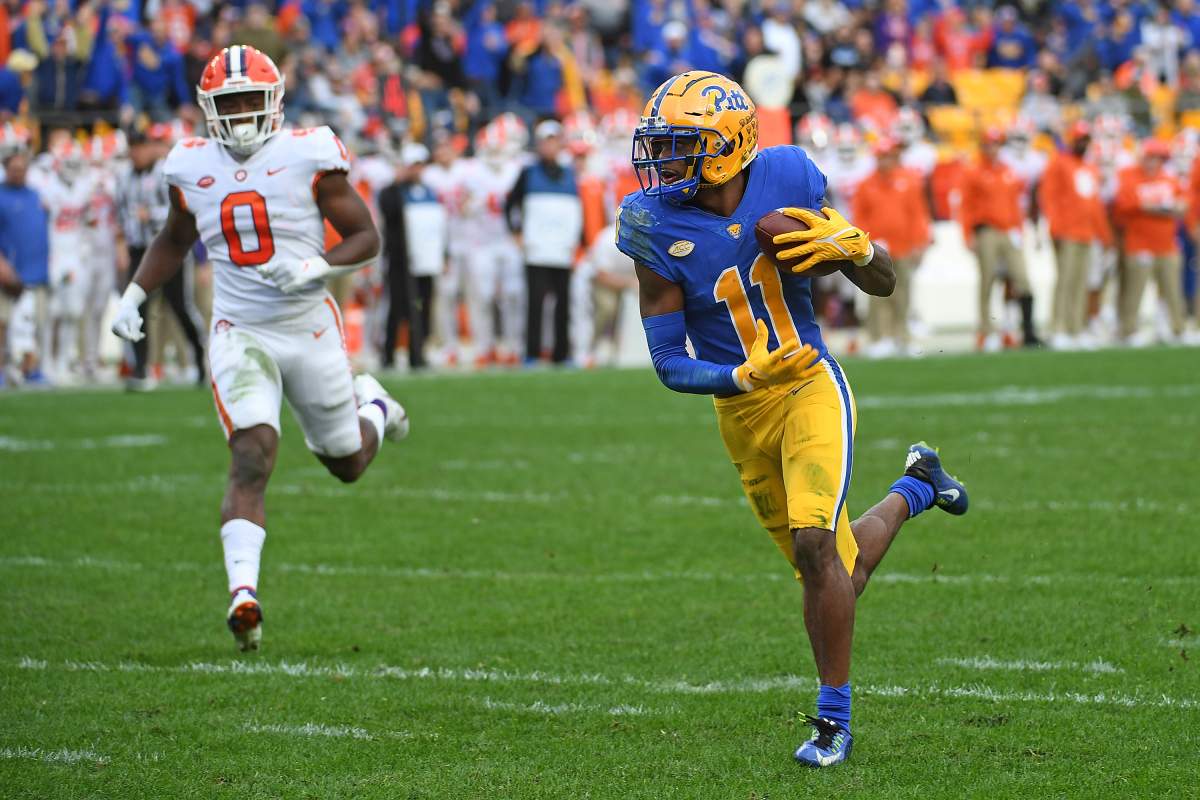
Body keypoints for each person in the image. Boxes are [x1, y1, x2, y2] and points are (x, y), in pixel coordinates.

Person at [615, 71, 969, 768]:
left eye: (679, 145)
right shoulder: (651, 222)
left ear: (729, 146)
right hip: (740, 406)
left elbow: (882, 282)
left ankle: (833, 721)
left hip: (809, 384)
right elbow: (667, 361)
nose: (661, 161)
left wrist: (857, 249)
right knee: (837, 571)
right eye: (658, 145)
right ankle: (917, 486)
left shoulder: (790, 177)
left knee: (815, 547)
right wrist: (738, 376)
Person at [109, 46, 410, 652]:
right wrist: (134, 295)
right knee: (252, 452)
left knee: (347, 463)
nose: (242, 112)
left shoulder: (308, 154)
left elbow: (365, 237)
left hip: (308, 327)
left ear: (274, 102)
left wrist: (313, 267)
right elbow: (174, 238)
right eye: (230, 102)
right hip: (240, 329)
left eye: (251, 99)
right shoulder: (190, 165)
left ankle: (375, 406)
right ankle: (243, 595)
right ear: (208, 109)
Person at [506, 119, 583, 365]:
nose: (550, 146)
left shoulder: (570, 173)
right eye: (546, 142)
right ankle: (531, 353)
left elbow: (576, 210)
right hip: (536, 249)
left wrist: (575, 241)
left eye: (554, 141)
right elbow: (510, 204)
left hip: (562, 249)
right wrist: (516, 232)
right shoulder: (528, 173)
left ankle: (562, 354)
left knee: (564, 303)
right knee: (535, 303)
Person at [959, 128, 1041, 350]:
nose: (992, 149)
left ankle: (1026, 330)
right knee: (988, 281)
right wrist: (967, 235)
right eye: (989, 144)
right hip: (986, 231)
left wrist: (1019, 230)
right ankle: (986, 331)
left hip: (1009, 231)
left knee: (1021, 279)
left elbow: (1016, 205)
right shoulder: (974, 171)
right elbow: (965, 206)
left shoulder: (1008, 171)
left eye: (996, 144)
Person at [852, 137, 930, 357]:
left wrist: (919, 242)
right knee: (876, 295)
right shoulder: (866, 185)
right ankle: (880, 338)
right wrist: (866, 243)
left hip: (903, 246)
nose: (885, 161)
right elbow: (860, 217)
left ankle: (902, 337)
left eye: (889, 157)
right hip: (876, 250)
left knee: (904, 293)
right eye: (882, 157)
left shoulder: (909, 181)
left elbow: (917, 214)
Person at [1040, 121, 1112, 349]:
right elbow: (1049, 197)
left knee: (1082, 282)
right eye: (1080, 139)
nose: (1083, 143)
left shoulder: (1089, 168)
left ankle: (1077, 328)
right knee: (1066, 280)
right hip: (1067, 232)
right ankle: (1059, 327)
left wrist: (1104, 235)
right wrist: (1055, 229)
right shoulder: (1059, 163)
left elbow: (1095, 205)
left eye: (1085, 140)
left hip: (1086, 233)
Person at [1113, 139, 1187, 344]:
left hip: (1167, 245)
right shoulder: (1129, 176)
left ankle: (1178, 329)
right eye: (1150, 157)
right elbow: (1125, 206)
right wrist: (1157, 207)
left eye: (1158, 158)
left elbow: (1182, 205)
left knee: (1173, 290)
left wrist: (1155, 207)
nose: (1153, 162)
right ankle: (1128, 331)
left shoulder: (1168, 178)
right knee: (1134, 291)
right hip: (1139, 245)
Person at [0, 149, 50, 385]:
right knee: (2, 323)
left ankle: (30, 369)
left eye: (22, 169)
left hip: (36, 272)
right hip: (8, 272)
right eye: (14, 169)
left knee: (34, 324)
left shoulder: (35, 195)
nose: (19, 173)